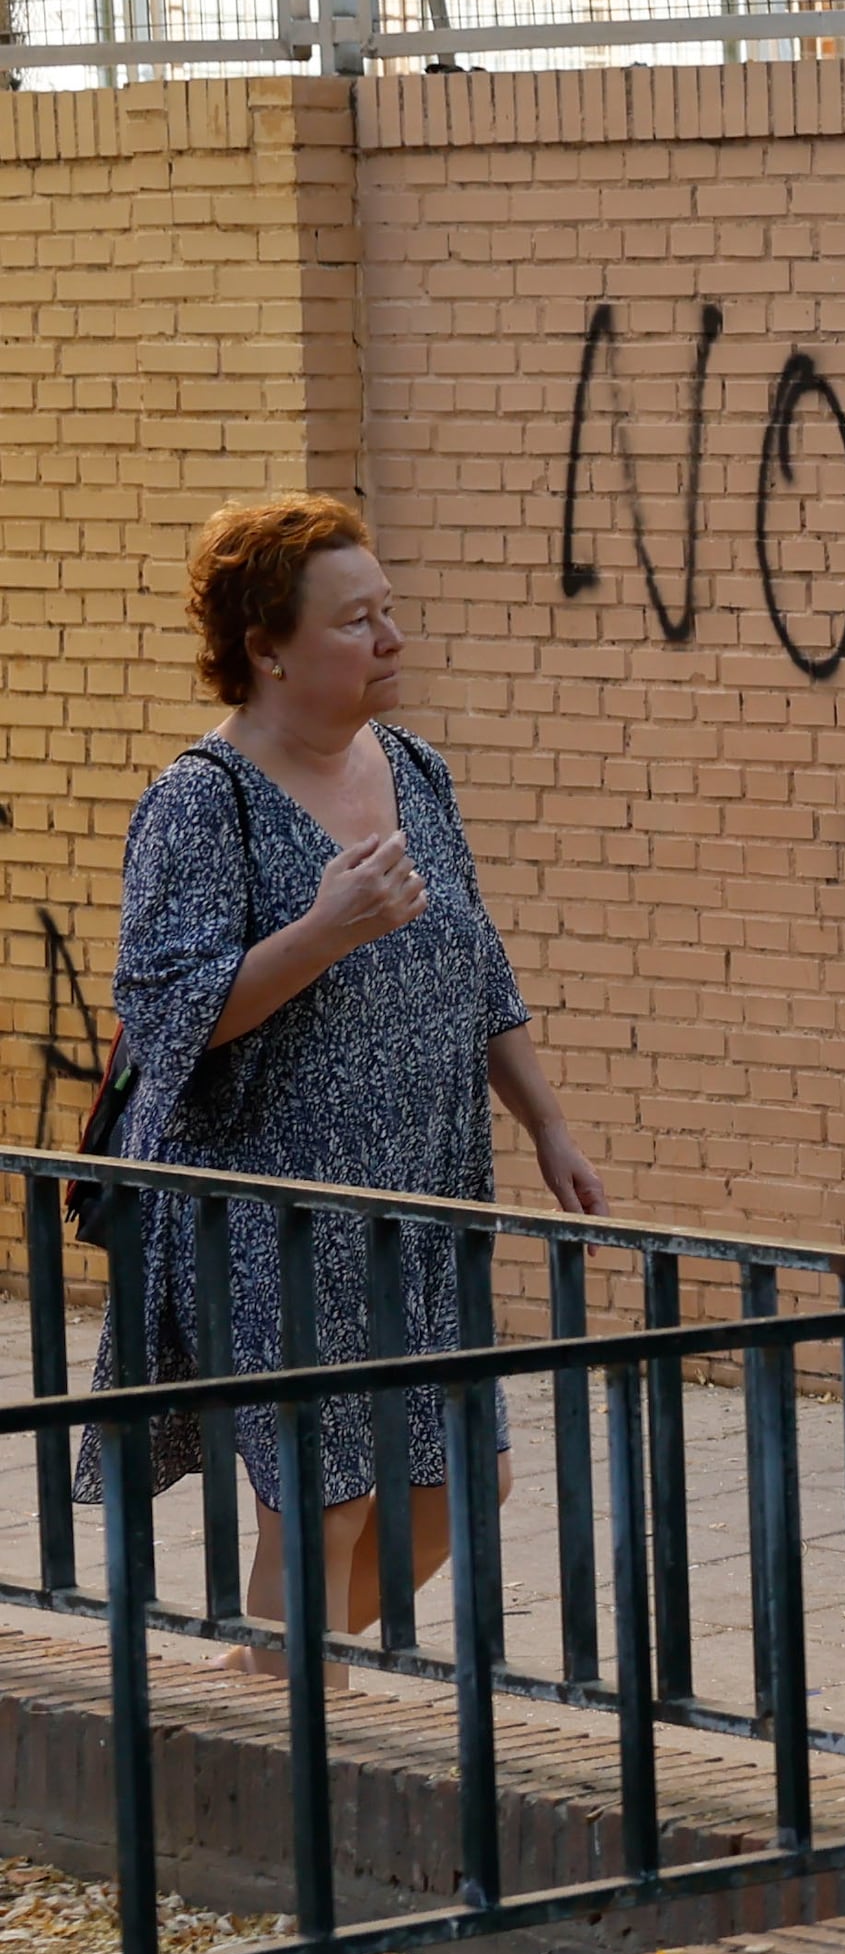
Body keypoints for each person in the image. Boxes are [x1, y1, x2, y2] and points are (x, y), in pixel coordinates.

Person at [75, 493, 604, 1649]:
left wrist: (547, 1125)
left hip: (422, 1196)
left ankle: (267, 1683)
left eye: (389, 612)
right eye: (356, 621)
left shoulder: (413, 767)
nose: (391, 640)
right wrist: (325, 929)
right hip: (280, 1211)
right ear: (266, 650)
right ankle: (294, 1734)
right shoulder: (200, 805)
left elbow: (479, 963)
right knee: (327, 1504)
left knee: (461, 1487)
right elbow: (170, 1019)